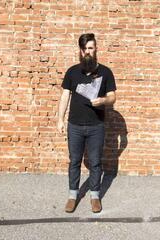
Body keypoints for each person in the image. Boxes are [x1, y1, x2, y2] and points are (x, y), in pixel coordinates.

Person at [57, 33, 117, 213]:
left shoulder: (105, 72)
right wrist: (60, 119)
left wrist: (103, 101)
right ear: (80, 51)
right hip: (74, 125)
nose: (87, 52)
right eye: (84, 49)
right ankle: (72, 195)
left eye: (90, 48)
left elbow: (113, 97)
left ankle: (95, 196)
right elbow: (65, 96)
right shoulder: (72, 72)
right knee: (74, 160)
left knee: (96, 162)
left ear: (96, 48)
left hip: (96, 126)